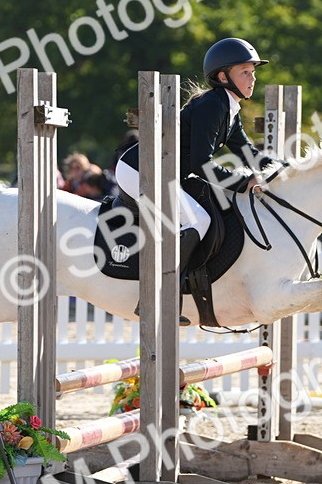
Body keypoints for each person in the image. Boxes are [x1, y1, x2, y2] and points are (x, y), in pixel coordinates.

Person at [116, 37, 278, 324]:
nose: (253, 78)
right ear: (222, 76)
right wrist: (243, 184)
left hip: (165, 172)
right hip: (140, 171)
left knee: (201, 216)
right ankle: (159, 299)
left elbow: (248, 154)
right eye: (245, 72)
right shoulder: (212, 106)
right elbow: (202, 164)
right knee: (197, 221)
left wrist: (286, 170)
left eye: (253, 72)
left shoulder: (229, 110)